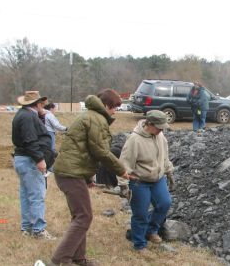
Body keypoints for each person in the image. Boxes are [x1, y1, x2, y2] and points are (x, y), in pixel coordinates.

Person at [50, 89, 131, 266]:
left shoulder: (91, 116)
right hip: (70, 174)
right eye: (114, 107)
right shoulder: (96, 119)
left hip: (72, 172)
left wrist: (87, 178)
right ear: (106, 106)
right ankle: (60, 260)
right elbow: (100, 151)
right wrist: (121, 170)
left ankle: (78, 258)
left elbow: (82, 150)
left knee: (81, 216)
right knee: (84, 217)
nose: (115, 111)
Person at [118, 110, 174, 252]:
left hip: (158, 179)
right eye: (159, 127)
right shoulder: (134, 140)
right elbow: (124, 164)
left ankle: (150, 230)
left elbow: (164, 157)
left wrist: (169, 171)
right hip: (139, 181)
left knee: (164, 203)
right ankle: (139, 243)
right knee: (140, 213)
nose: (162, 130)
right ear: (149, 124)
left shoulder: (160, 136)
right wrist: (123, 185)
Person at [12, 91, 56, 240]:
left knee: (26, 195)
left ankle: (27, 228)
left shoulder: (22, 114)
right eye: (42, 104)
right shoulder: (29, 117)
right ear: (37, 104)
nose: (43, 107)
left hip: (22, 158)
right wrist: (40, 159)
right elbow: (30, 140)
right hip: (30, 160)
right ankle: (38, 230)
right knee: (37, 195)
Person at [43, 103, 67, 173]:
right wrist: (66, 128)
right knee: (51, 150)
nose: (55, 110)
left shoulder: (45, 114)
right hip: (50, 133)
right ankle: (50, 167)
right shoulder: (49, 115)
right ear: (51, 108)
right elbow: (56, 125)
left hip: (48, 132)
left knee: (49, 150)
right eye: (55, 108)